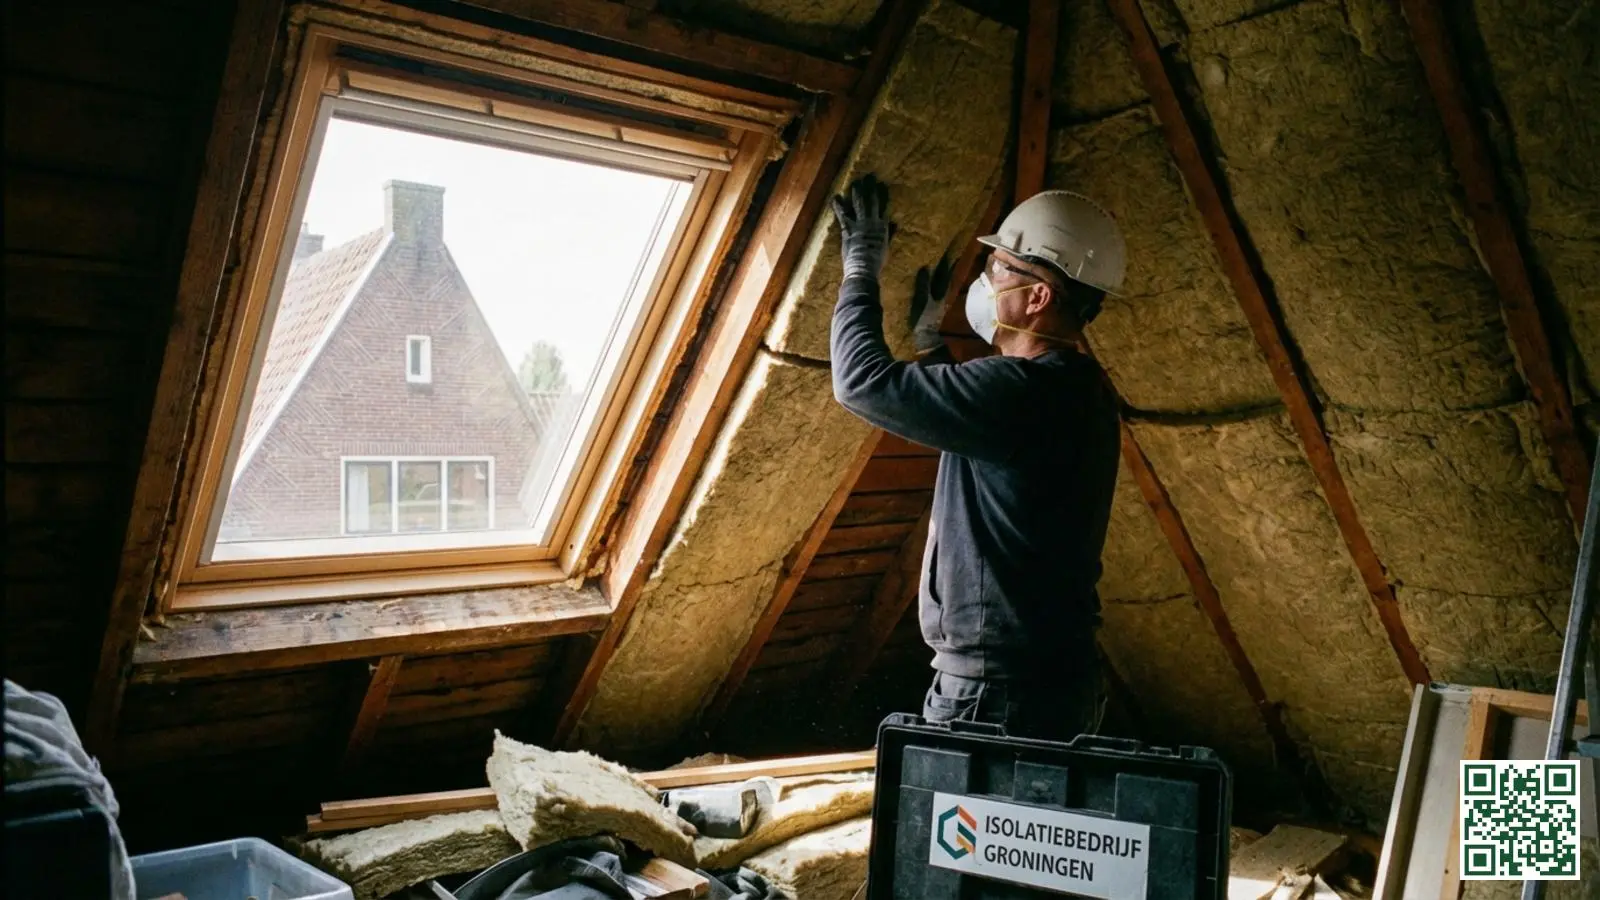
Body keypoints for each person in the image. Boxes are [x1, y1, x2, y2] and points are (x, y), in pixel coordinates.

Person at [828, 174, 1126, 742]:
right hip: (1054, 681)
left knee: (960, 830)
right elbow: (985, 434)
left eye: (1001, 270)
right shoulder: (1077, 389)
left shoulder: (1019, 391)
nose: (987, 279)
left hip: (997, 693)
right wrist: (928, 342)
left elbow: (860, 383)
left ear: (1038, 298)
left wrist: (860, 267)